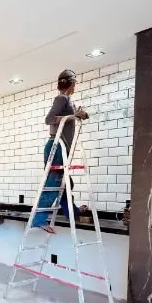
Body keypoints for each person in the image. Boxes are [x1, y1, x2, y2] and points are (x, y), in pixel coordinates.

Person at [32, 69, 88, 233]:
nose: (75, 86)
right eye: (74, 83)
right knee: (54, 183)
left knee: (65, 183)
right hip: (56, 146)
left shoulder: (68, 101)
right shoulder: (61, 98)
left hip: (61, 147)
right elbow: (49, 119)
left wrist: (77, 115)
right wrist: (73, 116)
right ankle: (39, 220)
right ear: (71, 83)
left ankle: (72, 211)